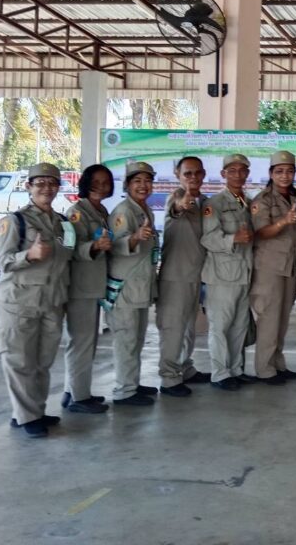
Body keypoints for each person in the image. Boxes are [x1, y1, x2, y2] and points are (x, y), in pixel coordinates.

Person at [0, 163, 74, 438]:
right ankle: (27, 417)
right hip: (19, 302)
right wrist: (29, 255)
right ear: (28, 186)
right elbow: (3, 262)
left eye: (52, 183)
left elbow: (71, 253)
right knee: (20, 360)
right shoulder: (14, 221)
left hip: (52, 301)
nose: (47, 188)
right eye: (40, 183)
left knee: (43, 361)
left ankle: (33, 411)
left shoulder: (64, 223)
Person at [156, 156, 210, 398]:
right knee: (173, 328)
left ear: (204, 174)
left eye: (197, 173)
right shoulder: (176, 197)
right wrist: (182, 204)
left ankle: (185, 368)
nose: (193, 178)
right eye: (187, 173)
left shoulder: (203, 202)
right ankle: (169, 378)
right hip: (176, 277)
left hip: (195, 276)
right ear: (177, 175)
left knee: (188, 327)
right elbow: (177, 207)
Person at [62, 164, 114, 414]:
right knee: (81, 342)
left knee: (87, 342)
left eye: (106, 182)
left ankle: (72, 391)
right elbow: (70, 248)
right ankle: (79, 398)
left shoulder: (101, 210)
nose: (101, 186)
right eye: (96, 182)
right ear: (86, 183)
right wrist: (93, 247)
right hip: (80, 286)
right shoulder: (77, 212)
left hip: (93, 285)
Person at [107, 161, 160, 406]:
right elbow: (114, 246)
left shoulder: (144, 209)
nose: (143, 186)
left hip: (140, 286)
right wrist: (135, 237)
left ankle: (132, 383)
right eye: (137, 181)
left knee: (136, 339)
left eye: (147, 181)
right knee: (126, 340)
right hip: (125, 288)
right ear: (127, 185)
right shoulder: (123, 211)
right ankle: (124, 391)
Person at [201, 154, 255, 391]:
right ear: (223, 174)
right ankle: (220, 373)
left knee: (239, 325)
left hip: (244, 273)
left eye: (242, 170)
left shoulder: (248, 202)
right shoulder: (214, 204)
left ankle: (236, 369)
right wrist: (233, 238)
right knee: (221, 326)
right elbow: (208, 238)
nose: (238, 175)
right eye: (232, 171)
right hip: (222, 276)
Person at [249, 151, 296, 385]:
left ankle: (278, 363)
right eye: (279, 171)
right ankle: (264, 369)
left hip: (290, 266)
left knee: (282, 320)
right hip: (269, 268)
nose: (285, 176)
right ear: (271, 174)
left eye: (289, 171)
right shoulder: (262, 200)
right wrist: (283, 222)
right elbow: (261, 232)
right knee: (269, 319)